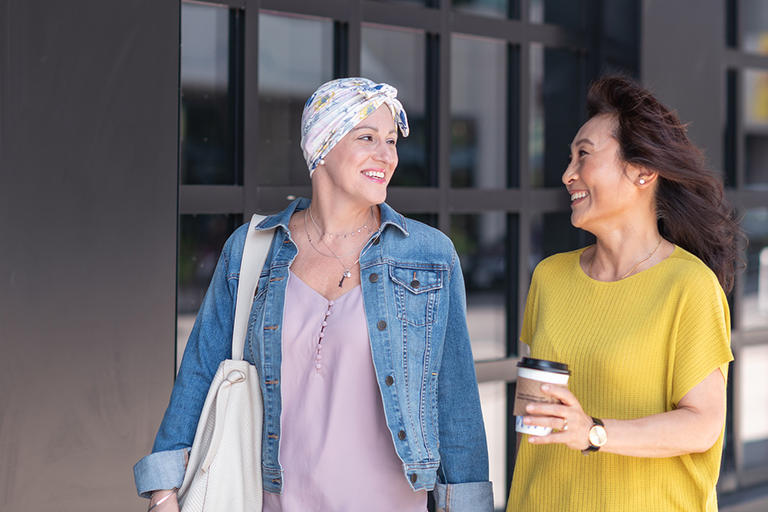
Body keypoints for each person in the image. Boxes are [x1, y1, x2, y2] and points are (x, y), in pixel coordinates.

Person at [134, 77, 493, 512]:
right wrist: (163, 490)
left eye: (392, 141)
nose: (387, 156)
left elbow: (455, 400)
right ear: (322, 145)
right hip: (271, 501)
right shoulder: (253, 250)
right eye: (367, 138)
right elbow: (200, 371)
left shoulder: (429, 254)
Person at [507, 75, 740, 511]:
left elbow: (702, 425)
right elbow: (535, 426)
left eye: (584, 155)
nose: (567, 174)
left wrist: (594, 432)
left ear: (642, 170)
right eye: (569, 157)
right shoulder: (550, 278)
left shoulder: (687, 285)